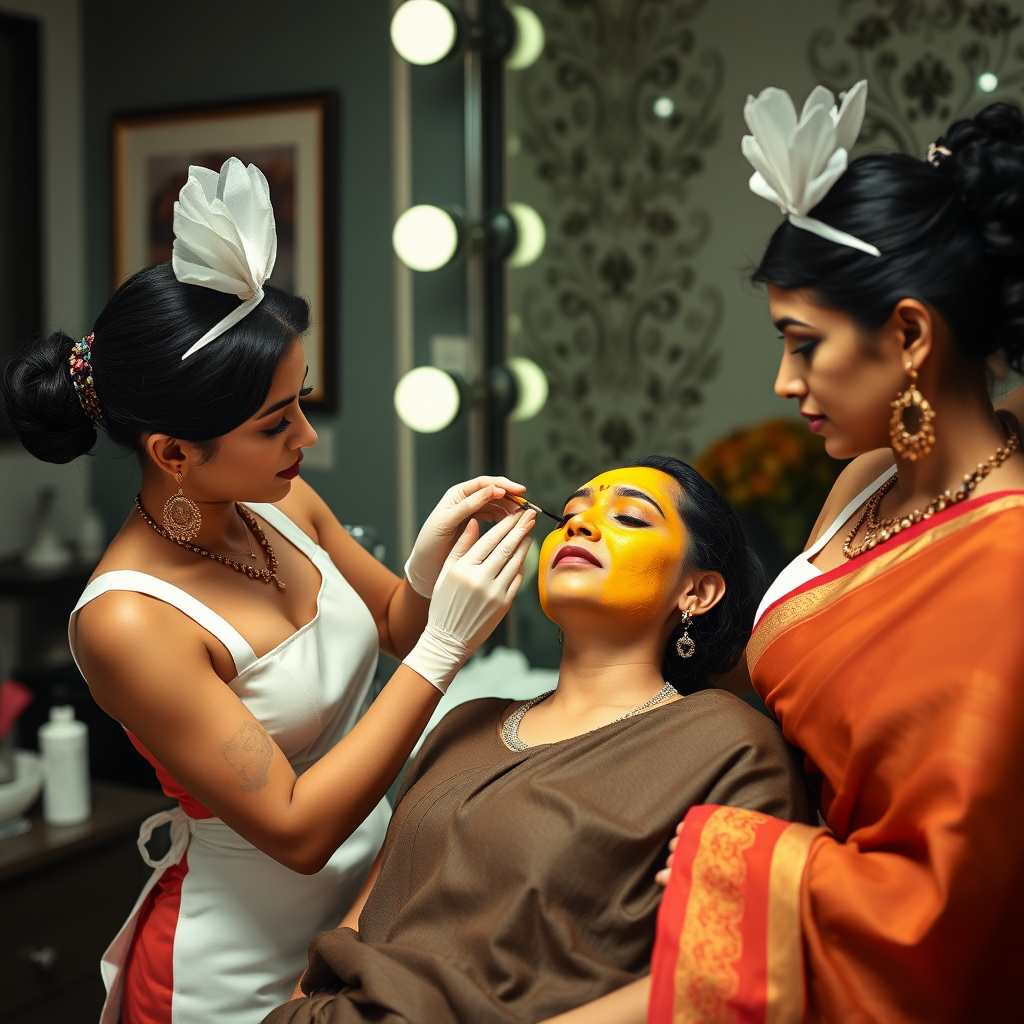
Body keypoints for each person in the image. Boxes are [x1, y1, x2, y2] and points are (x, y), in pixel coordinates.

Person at [0, 158, 536, 1024]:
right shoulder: (129, 621)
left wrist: (429, 568)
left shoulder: (279, 503)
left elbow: (396, 623)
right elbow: (294, 828)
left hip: (361, 912)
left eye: (301, 400)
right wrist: (445, 649)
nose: (306, 437)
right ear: (173, 453)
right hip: (231, 971)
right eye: (274, 422)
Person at [574, 87, 1024, 1023]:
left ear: (907, 334)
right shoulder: (865, 476)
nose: (783, 383)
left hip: (832, 934)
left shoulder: (1003, 562)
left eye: (804, 345)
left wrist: (742, 861)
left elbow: (941, 905)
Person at [265, 456, 810, 1024]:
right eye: (569, 515)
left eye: (629, 518)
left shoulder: (730, 743)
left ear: (698, 592)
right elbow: (359, 925)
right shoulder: (464, 725)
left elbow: (719, 976)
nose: (578, 524)